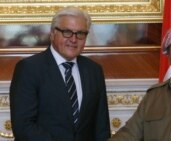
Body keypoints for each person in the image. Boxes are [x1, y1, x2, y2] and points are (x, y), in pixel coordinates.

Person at [10, 6, 111, 141]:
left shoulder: (94, 70)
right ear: (52, 33)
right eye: (67, 32)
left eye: (80, 33)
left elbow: (101, 127)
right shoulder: (28, 69)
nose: (74, 39)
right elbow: (23, 126)